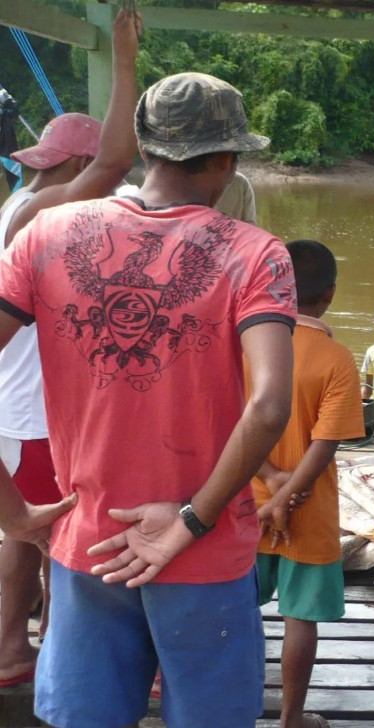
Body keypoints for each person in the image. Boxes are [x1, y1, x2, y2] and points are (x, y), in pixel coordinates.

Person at [0, 70, 296, 728]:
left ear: (142, 146)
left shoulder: (45, 235)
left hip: (88, 543)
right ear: (226, 159)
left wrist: (13, 513)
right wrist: (190, 520)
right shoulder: (256, 254)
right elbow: (271, 406)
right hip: (206, 553)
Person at [0, 8, 140, 689]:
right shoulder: (41, 210)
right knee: (58, 538)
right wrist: (123, 56)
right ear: (77, 168)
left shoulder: (15, 206)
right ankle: (53, 653)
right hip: (33, 416)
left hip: (14, 410)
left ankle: (13, 652)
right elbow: (117, 161)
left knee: (22, 535)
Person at [253, 239, 364, 728]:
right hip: (310, 508)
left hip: (246, 501)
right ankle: (290, 719)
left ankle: (225, 705)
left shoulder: (251, 346)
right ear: (331, 294)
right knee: (300, 619)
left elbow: (233, 423)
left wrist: (271, 481)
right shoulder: (337, 358)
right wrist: (291, 493)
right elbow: (326, 443)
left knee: (233, 608)